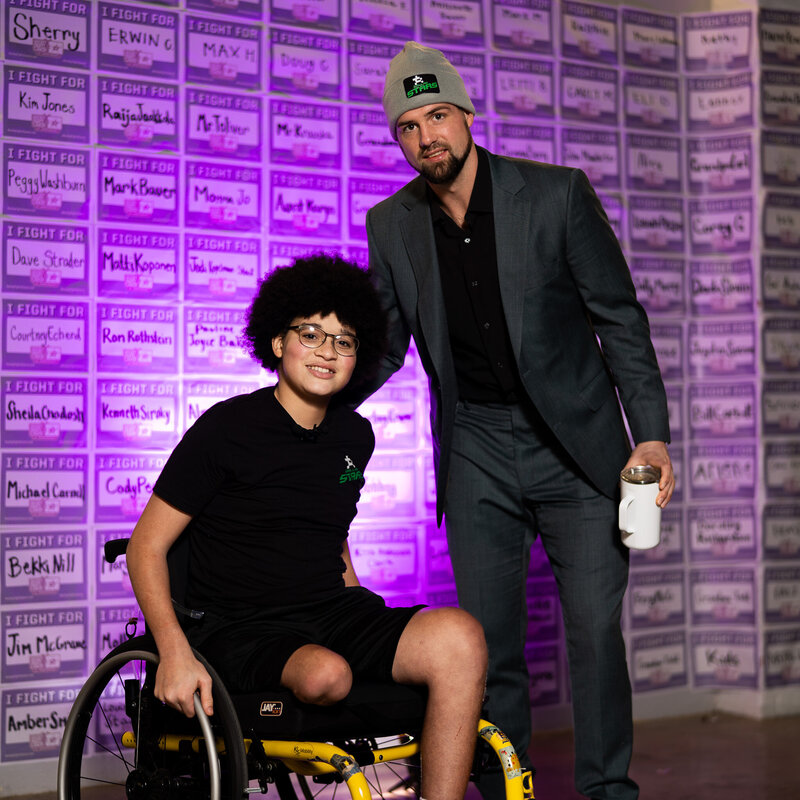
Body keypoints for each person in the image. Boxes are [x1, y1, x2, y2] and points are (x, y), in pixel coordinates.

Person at [358, 42, 675, 800]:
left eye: (438, 116)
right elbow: (387, 345)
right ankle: (511, 787)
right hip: (475, 450)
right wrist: (312, 397)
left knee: (596, 634)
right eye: (408, 125)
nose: (426, 136)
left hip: (578, 448)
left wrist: (653, 435)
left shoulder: (557, 195)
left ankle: (607, 791)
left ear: (468, 115)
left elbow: (620, 321)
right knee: (487, 645)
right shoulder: (390, 223)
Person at [126, 255, 488, 800]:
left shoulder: (355, 435)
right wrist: (175, 654)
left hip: (327, 610)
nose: (327, 350)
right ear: (277, 342)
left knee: (461, 638)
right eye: (312, 333)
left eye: (344, 341)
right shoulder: (226, 428)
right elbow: (146, 547)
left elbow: (329, 527)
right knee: (327, 677)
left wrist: (358, 602)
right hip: (241, 624)